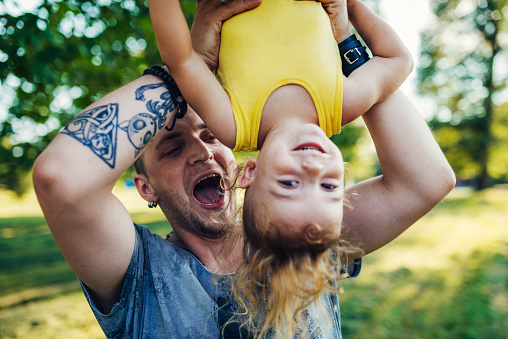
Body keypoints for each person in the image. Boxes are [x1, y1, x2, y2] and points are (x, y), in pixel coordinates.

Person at [32, 0, 455, 337]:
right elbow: (62, 178)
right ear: (145, 187)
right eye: (172, 147)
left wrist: (344, 37)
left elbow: (426, 180)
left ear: (244, 166)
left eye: (211, 134)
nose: (201, 150)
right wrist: (183, 73)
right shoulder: (140, 272)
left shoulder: (303, 237)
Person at [148, 0, 413, 334]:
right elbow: (398, 61)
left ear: (249, 173)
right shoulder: (342, 104)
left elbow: (182, 60)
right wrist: (347, 20)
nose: (313, 169)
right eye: (329, 187)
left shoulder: (232, 126)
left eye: (289, 184)